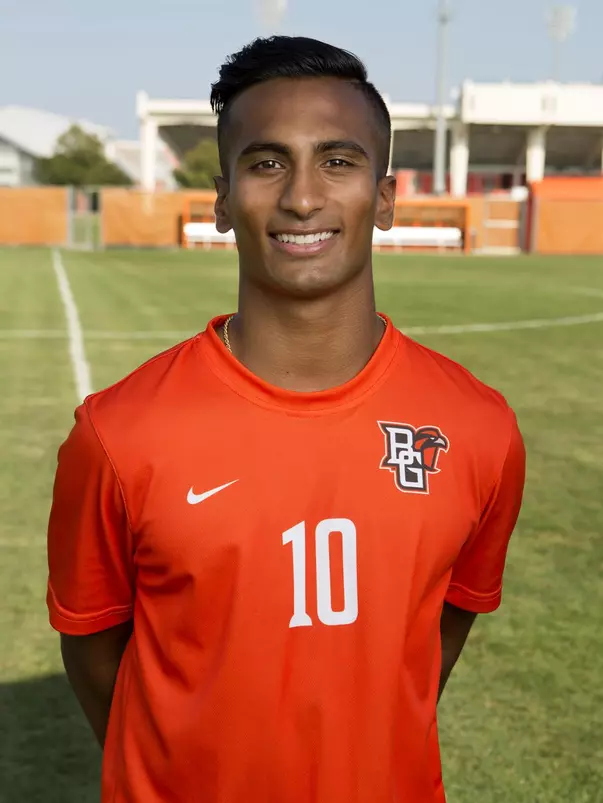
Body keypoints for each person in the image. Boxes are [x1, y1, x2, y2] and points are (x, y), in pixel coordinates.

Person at [47, 36, 526, 803]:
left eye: (337, 160)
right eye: (266, 163)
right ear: (222, 201)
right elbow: (92, 647)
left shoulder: (477, 428)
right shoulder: (119, 432)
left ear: (387, 197)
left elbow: (439, 636)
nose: (302, 196)